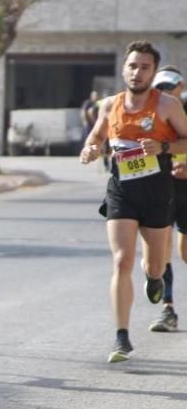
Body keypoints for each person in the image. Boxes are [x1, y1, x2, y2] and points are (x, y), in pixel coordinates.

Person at [80, 41, 187, 362]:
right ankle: (121, 337)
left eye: (144, 67)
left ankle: (154, 279)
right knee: (121, 260)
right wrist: (90, 148)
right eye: (132, 66)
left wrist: (164, 149)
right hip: (121, 191)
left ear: (153, 72)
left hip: (157, 193)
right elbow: (97, 136)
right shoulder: (109, 105)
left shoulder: (167, 106)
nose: (137, 72)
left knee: (154, 265)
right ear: (123, 69)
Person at [148, 65, 187, 332]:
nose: (164, 92)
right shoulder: (151, 115)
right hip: (162, 189)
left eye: (169, 87)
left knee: (184, 252)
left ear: (181, 87)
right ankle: (168, 309)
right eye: (160, 87)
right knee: (161, 253)